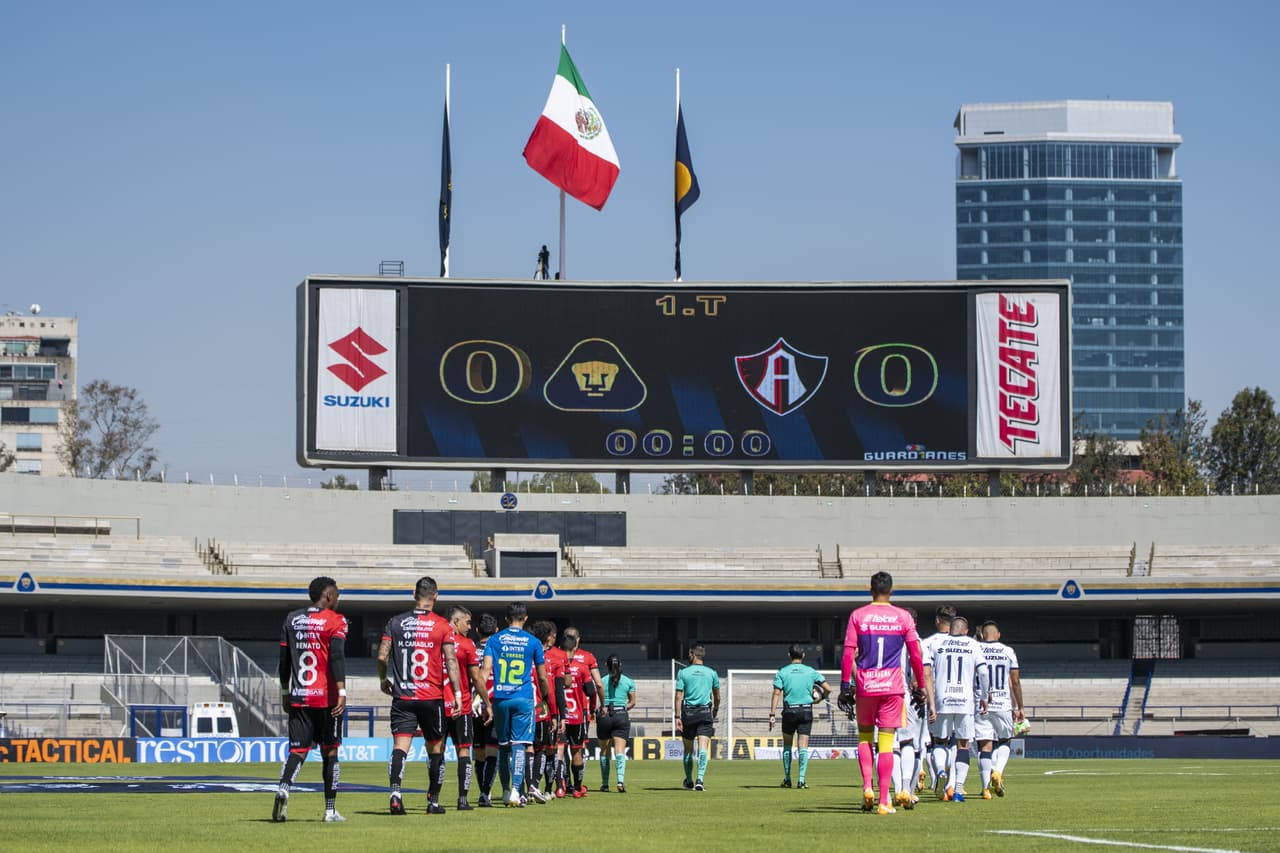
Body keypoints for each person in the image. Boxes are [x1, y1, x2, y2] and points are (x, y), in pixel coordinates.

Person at [838, 571, 931, 815]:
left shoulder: (858, 615)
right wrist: (921, 685)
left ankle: (867, 787)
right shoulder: (903, 617)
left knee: (865, 739)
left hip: (866, 685)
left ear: (870, 590)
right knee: (887, 744)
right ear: (891, 591)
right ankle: (882, 800)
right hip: (892, 687)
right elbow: (915, 655)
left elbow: (848, 652)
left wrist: (845, 686)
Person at [377, 576, 462, 815]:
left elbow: (382, 657)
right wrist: (456, 693)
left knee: (400, 747)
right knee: (435, 749)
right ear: (435, 596)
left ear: (414, 594)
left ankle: (395, 793)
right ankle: (433, 802)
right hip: (431, 697)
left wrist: (383, 679)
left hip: (403, 697)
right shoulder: (442, 625)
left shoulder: (395, 622)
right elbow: (451, 661)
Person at [271, 576, 348, 823]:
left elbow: (284, 661)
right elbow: (336, 655)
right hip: (327, 699)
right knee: (330, 752)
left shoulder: (291, 619)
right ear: (327, 596)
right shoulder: (336, 620)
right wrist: (342, 692)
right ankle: (329, 810)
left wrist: (285, 691)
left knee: (297, 750)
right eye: (336, 594)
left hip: (299, 695)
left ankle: (284, 786)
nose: (338, 598)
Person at [480, 602, 551, 808]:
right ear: (526, 618)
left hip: (501, 698)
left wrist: (483, 700)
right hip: (524, 699)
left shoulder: (494, 639)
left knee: (503, 746)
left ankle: (503, 790)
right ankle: (516, 791)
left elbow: (485, 672)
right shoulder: (534, 642)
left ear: (505, 619)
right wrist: (545, 698)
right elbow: (542, 677)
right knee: (520, 745)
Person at [925, 614, 989, 803]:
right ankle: (958, 790)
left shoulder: (936, 644)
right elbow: (983, 672)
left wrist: (930, 702)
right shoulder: (973, 645)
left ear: (950, 628)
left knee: (939, 742)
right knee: (963, 745)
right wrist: (985, 697)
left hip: (942, 699)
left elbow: (926, 672)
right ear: (966, 631)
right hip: (965, 702)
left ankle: (941, 772)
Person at [444, 605, 492, 811]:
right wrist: (487, 703)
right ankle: (463, 799)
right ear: (456, 621)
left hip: (438, 704)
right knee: (464, 752)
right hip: (461, 706)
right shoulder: (466, 644)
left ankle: (433, 798)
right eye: (468, 622)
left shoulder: (436, 641)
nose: (470, 627)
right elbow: (476, 678)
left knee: (435, 752)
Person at [768, 644, 831, 790]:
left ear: (789, 655)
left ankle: (788, 778)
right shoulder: (811, 671)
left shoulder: (782, 672)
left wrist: (772, 714)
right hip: (806, 711)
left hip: (789, 711)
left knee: (787, 745)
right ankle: (801, 780)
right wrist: (820, 698)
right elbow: (828, 688)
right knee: (803, 746)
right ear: (803, 656)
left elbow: (776, 693)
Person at [976, 620, 1023, 799]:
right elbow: (1015, 682)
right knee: (1005, 740)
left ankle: (985, 788)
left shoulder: (976, 649)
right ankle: (998, 771)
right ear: (998, 635)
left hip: (982, 703)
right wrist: (1020, 706)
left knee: (985, 746)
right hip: (1002, 702)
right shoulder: (1008, 651)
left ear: (982, 635)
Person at [562, 626, 605, 798]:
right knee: (578, 748)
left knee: (559, 749)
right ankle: (578, 786)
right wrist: (598, 706)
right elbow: (598, 685)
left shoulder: (554, 657)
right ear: (577, 640)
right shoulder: (586, 659)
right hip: (580, 711)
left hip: (558, 712)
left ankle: (562, 784)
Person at [674, 642, 720, 791]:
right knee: (702, 748)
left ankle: (688, 780)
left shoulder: (683, 673)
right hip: (705, 712)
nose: (688, 656)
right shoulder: (712, 673)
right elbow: (717, 696)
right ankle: (700, 779)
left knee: (688, 750)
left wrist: (677, 716)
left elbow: (678, 696)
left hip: (689, 713)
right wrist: (716, 710)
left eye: (689, 654)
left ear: (693, 654)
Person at [921, 604, 955, 793]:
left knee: (937, 742)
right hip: (962, 698)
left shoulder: (927, 643)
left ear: (937, 620)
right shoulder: (966, 643)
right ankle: (955, 784)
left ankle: (938, 776)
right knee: (959, 742)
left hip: (937, 697)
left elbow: (924, 674)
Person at [470, 613, 501, 807]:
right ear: (496, 631)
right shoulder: (499, 651)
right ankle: (485, 793)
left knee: (479, 753)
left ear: (476, 631)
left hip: (472, 707)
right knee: (492, 752)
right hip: (494, 705)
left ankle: (483, 791)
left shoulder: (469, 649)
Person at [597, 654, 636, 792]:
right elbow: (632, 702)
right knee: (619, 751)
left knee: (604, 751)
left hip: (604, 715)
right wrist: (624, 708)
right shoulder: (628, 681)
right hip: (621, 715)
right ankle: (620, 781)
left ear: (606, 666)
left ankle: (605, 784)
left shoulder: (601, 681)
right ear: (620, 665)